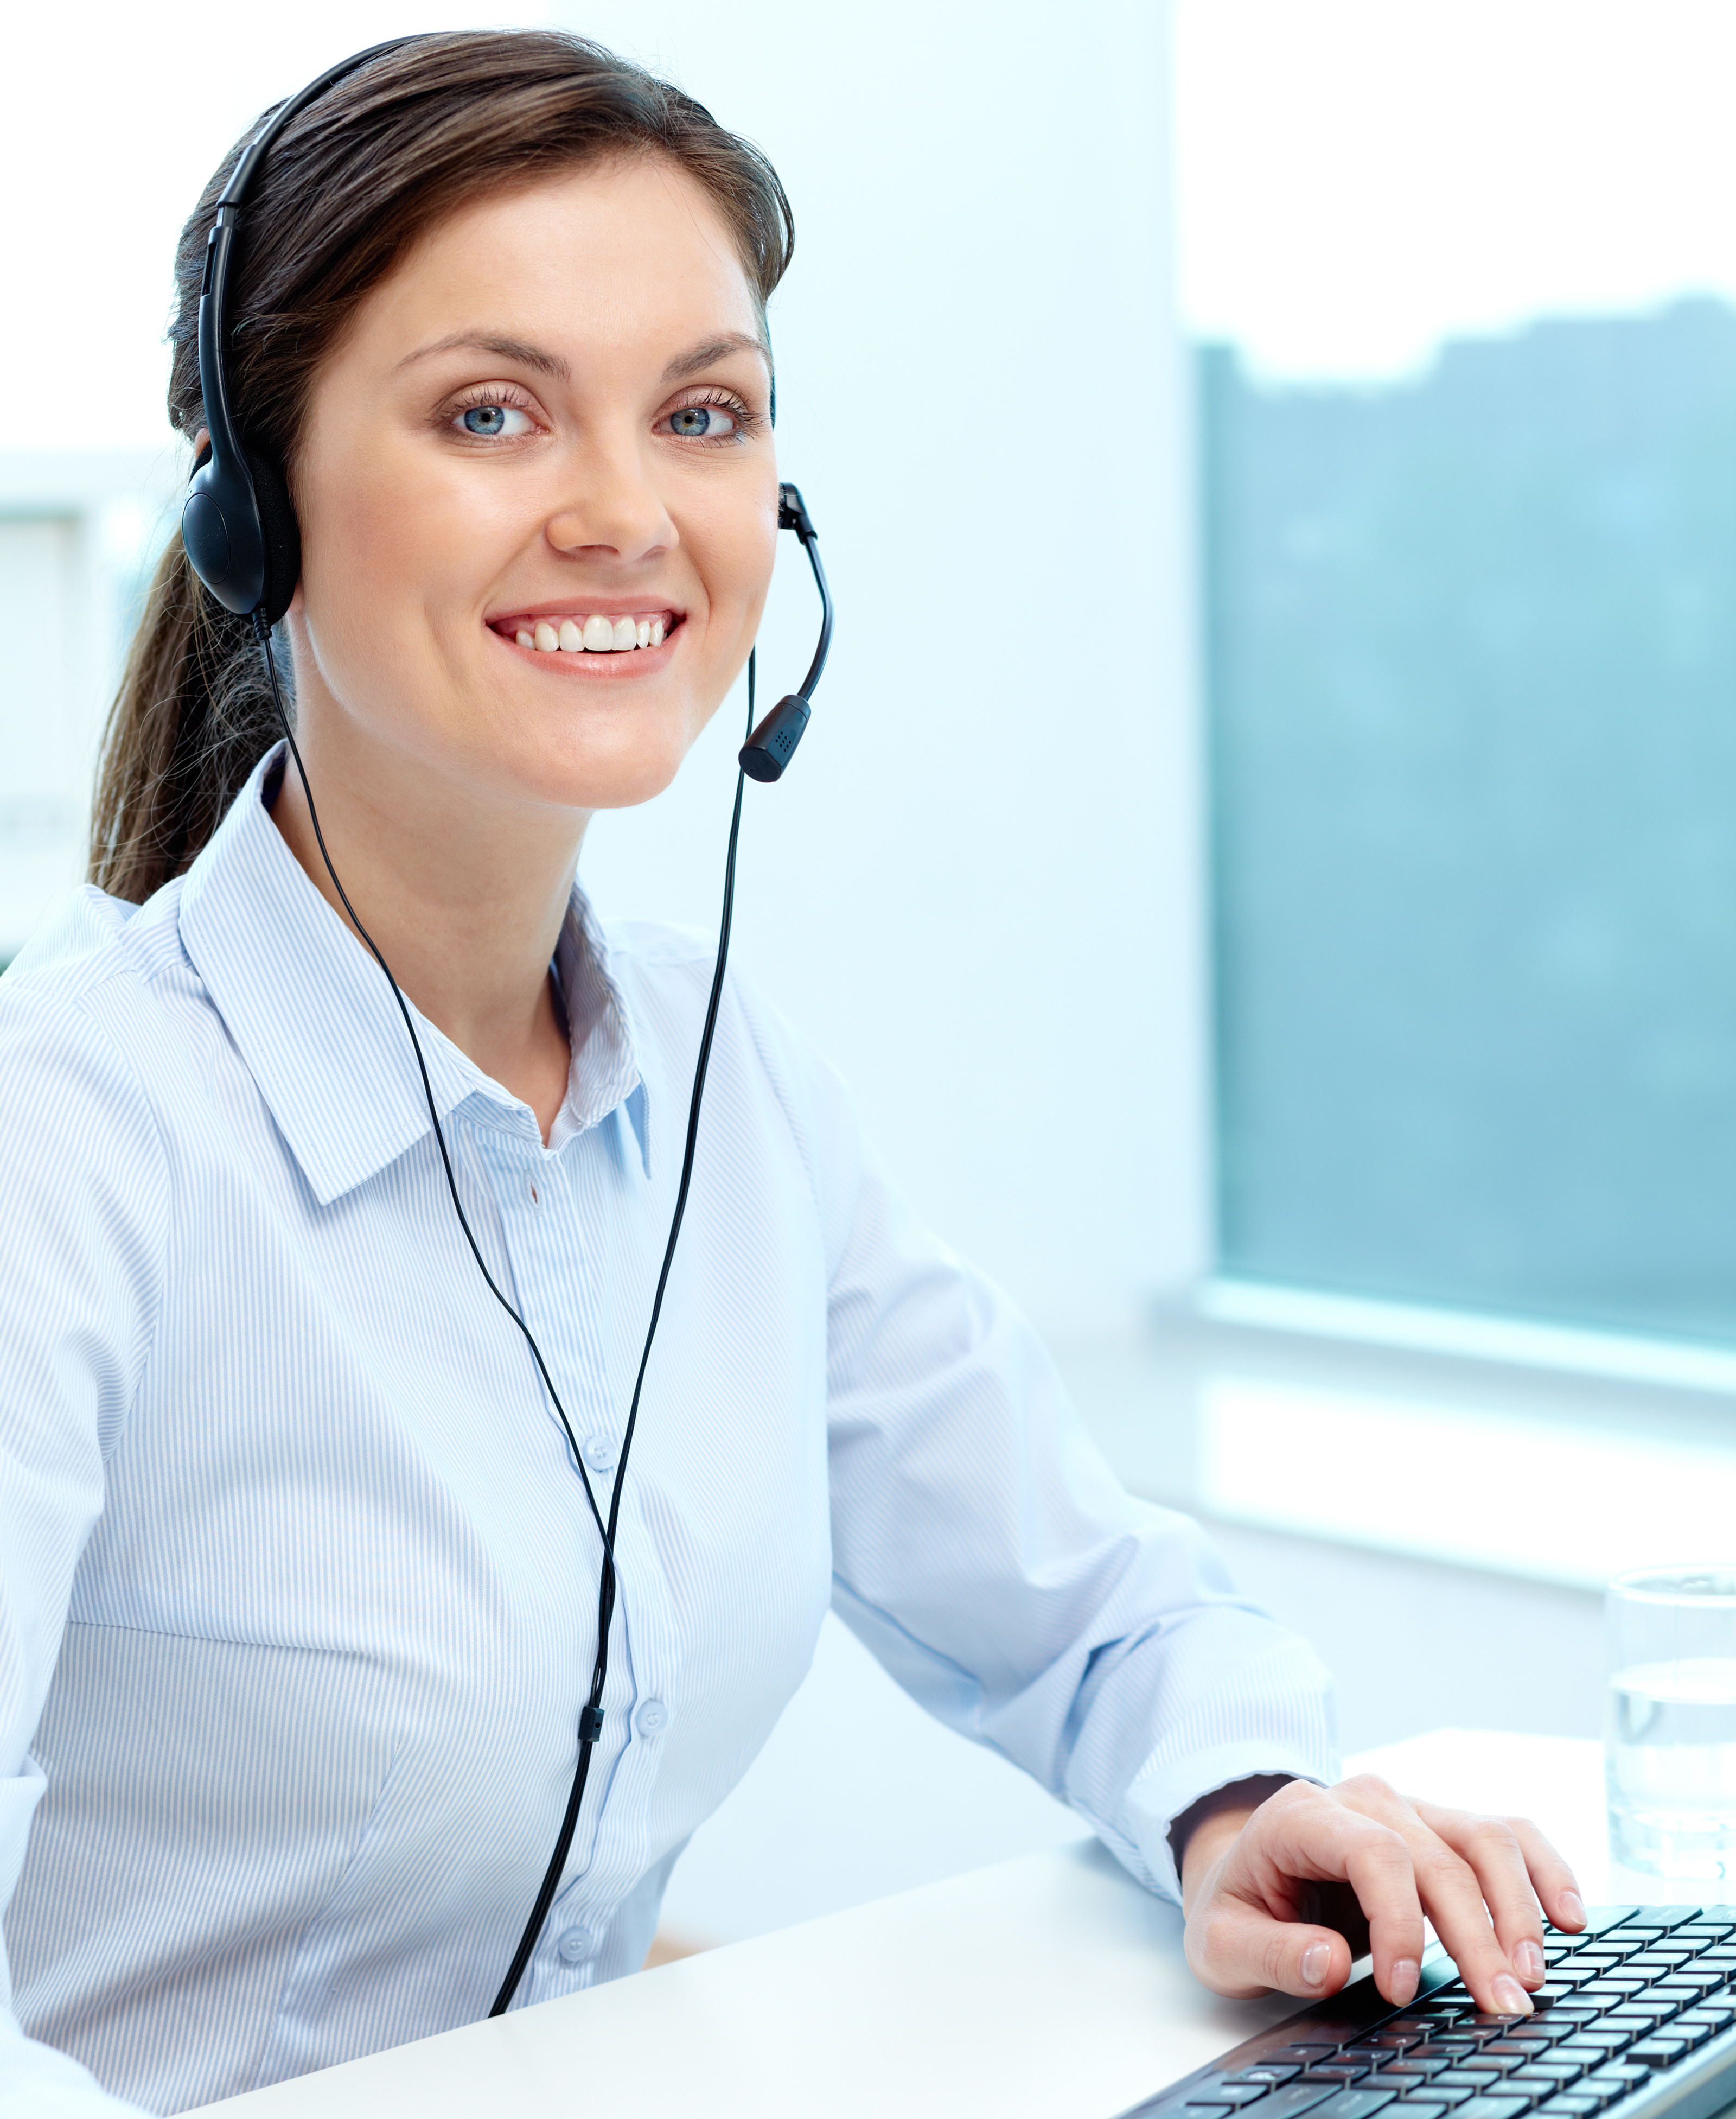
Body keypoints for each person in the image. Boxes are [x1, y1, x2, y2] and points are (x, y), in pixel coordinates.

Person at [0, 30, 1582, 2117]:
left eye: (705, 414)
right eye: (492, 410)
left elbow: (1088, 1606)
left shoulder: (717, 1089)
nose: (625, 511)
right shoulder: (72, 1139)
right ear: (252, 501)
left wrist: (1245, 1798)